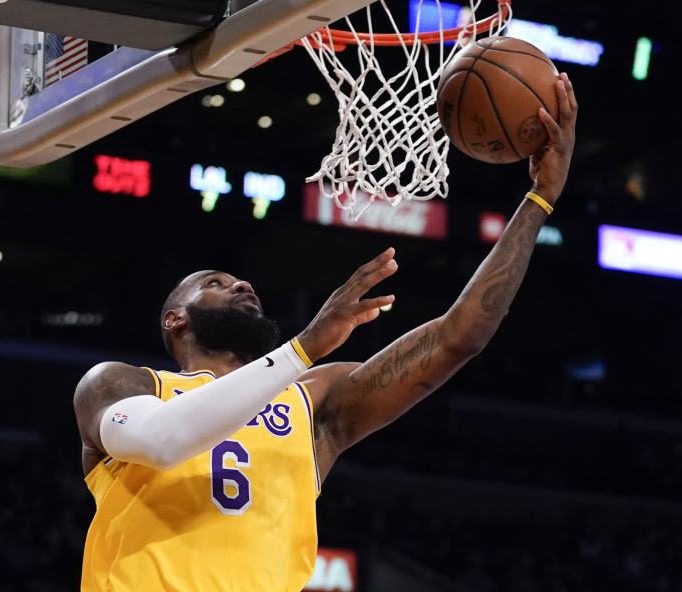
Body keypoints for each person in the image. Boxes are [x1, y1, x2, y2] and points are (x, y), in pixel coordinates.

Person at [73, 73, 577, 591]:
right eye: (215, 283)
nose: (241, 282)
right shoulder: (120, 385)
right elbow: (161, 441)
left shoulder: (315, 401)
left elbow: (457, 337)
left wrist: (539, 200)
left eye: (239, 278)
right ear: (174, 318)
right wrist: (304, 348)